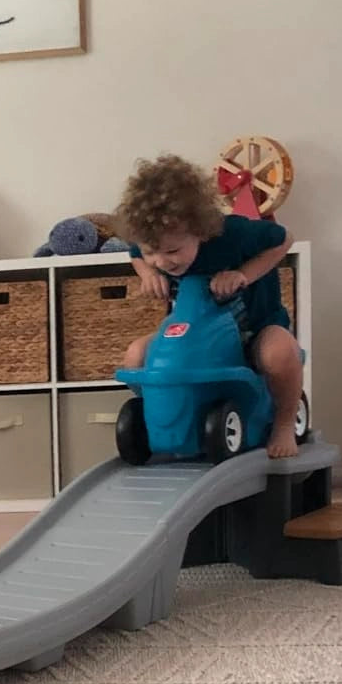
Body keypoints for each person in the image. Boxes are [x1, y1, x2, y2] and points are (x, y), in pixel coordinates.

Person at [117, 155, 301, 458]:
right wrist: (147, 272)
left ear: (200, 230)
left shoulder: (234, 234)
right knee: (136, 355)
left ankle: (284, 422)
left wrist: (243, 274)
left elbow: (285, 240)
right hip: (195, 334)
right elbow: (136, 254)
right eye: (153, 253)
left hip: (254, 329)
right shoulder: (151, 238)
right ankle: (167, 411)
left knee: (279, 352)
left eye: (173, 250)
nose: (163, 262)